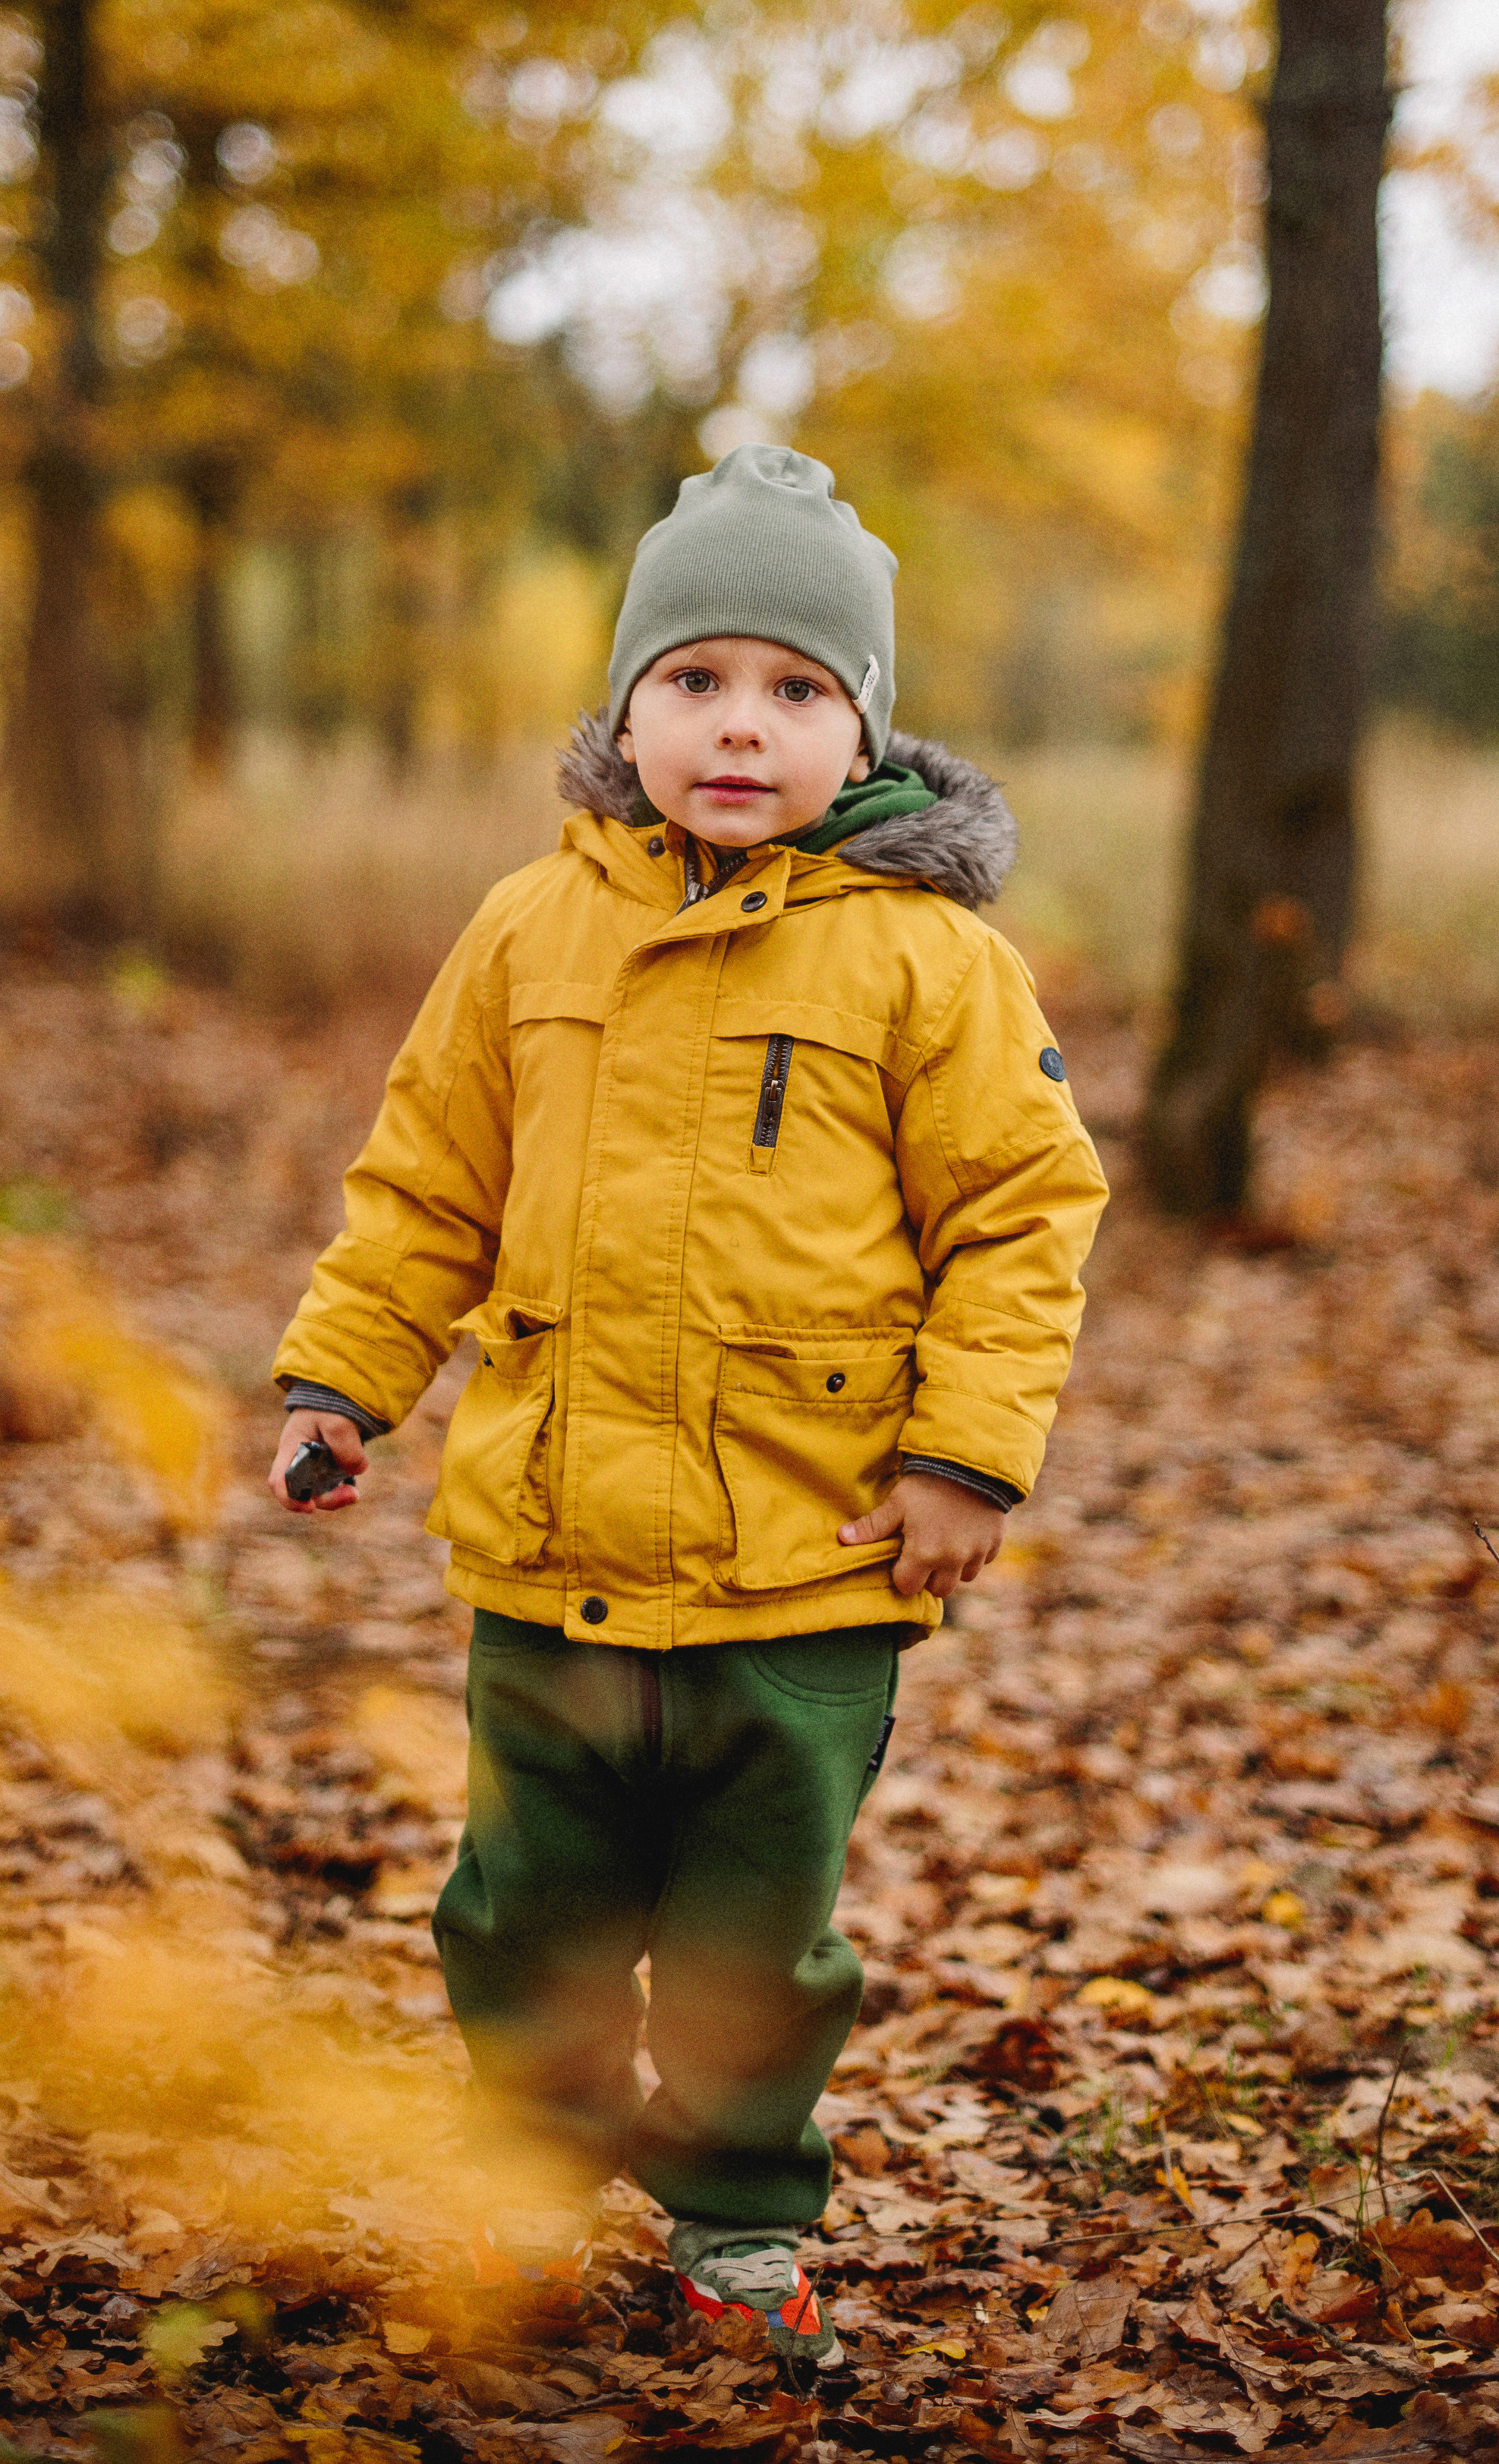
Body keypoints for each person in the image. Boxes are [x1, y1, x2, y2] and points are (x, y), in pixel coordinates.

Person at [267, 444, 1108, 2371]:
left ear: (863, 725)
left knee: (752, 1942)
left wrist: (966, 1452)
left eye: (797, 691)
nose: (743, 727)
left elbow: (1020, 1207)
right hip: (546, 1547)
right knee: (521, 1913)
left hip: (801, 1570)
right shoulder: (523, 933)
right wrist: (346, 1376)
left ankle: (738, 2223)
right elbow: (425, 1186)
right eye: (698, 681)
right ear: (625, 710)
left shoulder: (931, 961)